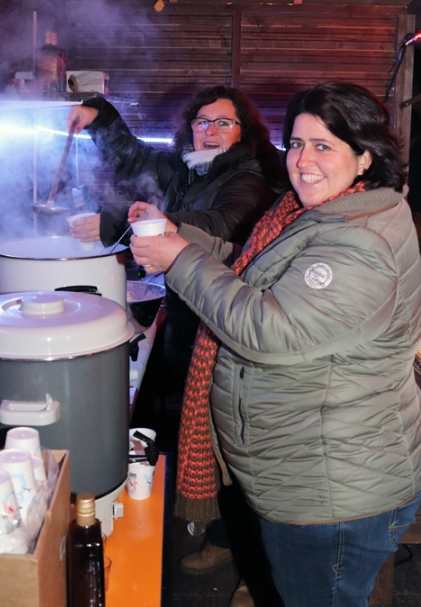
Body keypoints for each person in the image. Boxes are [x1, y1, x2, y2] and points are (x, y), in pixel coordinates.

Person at [128, 81, 421, 607]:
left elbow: (270, 328)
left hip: (332, 492)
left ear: (365, 156)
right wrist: (181, 236)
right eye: (297, 144)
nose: (303, 161)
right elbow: (255, 267)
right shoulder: (326, 211)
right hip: (310, 471)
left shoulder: (361, 240)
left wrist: (181, 260)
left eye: (324, 146)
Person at [66, 86, 285, 386]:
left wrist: (123, 225)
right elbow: (135, 159)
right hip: (184, 327)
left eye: (223, 123)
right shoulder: (188, 168)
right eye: (201, 122)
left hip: (219, 335)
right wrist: (99, 118)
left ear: (243, 131)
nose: (210, 130)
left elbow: (221, 226)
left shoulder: (250, 175)